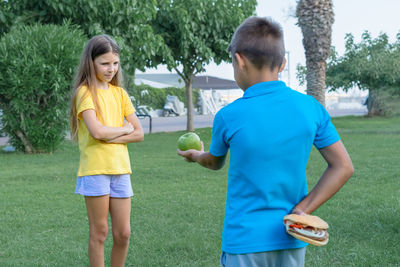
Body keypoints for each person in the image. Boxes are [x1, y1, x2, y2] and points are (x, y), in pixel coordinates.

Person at [177, 17, 354, 267]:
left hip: (244, 241)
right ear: (282, 64)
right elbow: (343, 166)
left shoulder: (228, 115)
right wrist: (302, 210)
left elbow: (214, 162)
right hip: (291, 237)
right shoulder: (311, 109)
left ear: (239, 60)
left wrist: (195, 155)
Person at [69, 35, 144, 267]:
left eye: (115, 63)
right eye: (105, 63)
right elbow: (96, 132)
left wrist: (112, 134)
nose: (111, 69)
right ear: (90, 62)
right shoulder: (85, 93)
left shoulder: (120, 94)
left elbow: (139, 133)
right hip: (95, 170)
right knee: (99, 232)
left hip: (121, 170)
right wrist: (123, 130)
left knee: (123, 234)